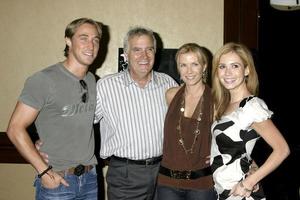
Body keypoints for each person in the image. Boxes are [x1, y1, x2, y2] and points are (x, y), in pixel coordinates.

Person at [6, 17, 102, 200]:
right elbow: (15, 128)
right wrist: (45, 172)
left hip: (90, 179)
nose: (91, 45)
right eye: (83, 38)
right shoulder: (44, 80)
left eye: (96, 39)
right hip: (58, 180)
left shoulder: (92, 80)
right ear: (68, 41)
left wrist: (37, 140)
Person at [94, 26, 178, 200]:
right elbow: (82, 122)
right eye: (137, 50)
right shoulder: (106, 86)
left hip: (163, 171)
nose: (144, 56)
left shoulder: (168, 84)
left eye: (149, 49)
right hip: (126, 174)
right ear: (126, 54)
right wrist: (48, 142)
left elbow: (184, 125)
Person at [210, 42, 290, 200]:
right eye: (222, 66)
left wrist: (248, 183)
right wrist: (219, 152)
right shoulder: (225, 104)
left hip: (240, 193)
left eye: (235, 66)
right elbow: (241, 146)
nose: (227, 73)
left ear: (246, 70)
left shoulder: (251, 106)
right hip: (223, 190)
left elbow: (282, 150)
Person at [157, 43, 217, 200]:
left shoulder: (216, 101)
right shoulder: (171, 95)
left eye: (194, 64)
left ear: (204, 67)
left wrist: (219, 152)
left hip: (201, 185)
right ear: (178, 68)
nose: (189, 71)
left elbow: (231, 136)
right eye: (183, 65)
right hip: (167, 182)